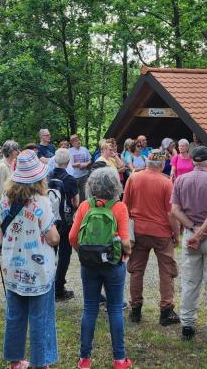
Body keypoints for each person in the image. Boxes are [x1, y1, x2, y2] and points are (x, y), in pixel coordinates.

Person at [0, 150, 60, 369]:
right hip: (38, 268)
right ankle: (40, 362)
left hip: (12, 266)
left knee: (14, 315)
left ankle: (15, 360)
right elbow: (52, 237)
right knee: (40, 317)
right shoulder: (41, 202)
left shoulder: (5, 202)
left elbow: (2, 231)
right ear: (38, 179)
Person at [69, 167, 134, 369]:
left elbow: (72, 237)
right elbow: (124, 242)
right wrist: (128, 252)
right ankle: (119, 360)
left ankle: (84, 359)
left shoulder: (84, 206)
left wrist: (84, 253)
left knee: (89, 309)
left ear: (91, 185)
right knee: (115, 309)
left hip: (89, 265)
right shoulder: (119, 207)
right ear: (115, 185)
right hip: (114, 264)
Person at [170, 146, 207, 346]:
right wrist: (202, 231)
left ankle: (187, 326)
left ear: (193, 160)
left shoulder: (180, 180)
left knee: (190, 282)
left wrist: (193, 229)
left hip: (190, 234)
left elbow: (175, 210)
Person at [124, 151, 181, 326]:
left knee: (136, 270)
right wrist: (176, 234)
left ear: (147, 162)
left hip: (138, 232)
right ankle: (166, 311)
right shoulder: (166, 182)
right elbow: (171, 213)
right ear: (162, 164)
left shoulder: (133, 179)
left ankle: (135, 310)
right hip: (161, 233)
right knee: (166, 271)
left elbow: (125, 206)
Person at [50, 148, 79, 300]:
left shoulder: (47, 177)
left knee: (49, 254)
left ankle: (47, 286)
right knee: (64, 255)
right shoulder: (70, 179)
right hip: (65, 222)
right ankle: (59, 288)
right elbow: (76, 202)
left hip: (49, 221)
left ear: (55, 160)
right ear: (68, 162)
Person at [0, 140, 20, 246]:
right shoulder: (3, 166)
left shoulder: (11, 163)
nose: (18, 152)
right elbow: (1, 186)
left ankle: (6, 243)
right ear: (10, 151)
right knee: (5, 222)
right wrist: (2, 203)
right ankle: (2, 244)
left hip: (11, 198)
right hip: (5, 200)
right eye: (16, 150)